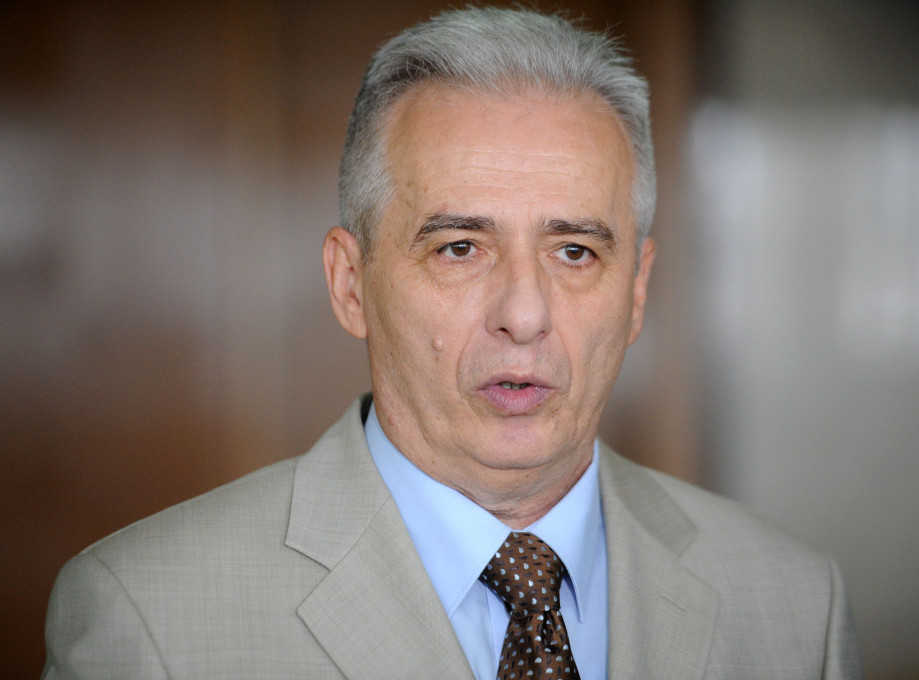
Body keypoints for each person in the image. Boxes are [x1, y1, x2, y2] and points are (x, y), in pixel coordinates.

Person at [41, 7, 861, 679]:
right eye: (459, 247)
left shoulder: (795, 602)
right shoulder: (149, 616)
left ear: (637, 290)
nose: (523, 315)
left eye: (575, 251)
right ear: (350, 284)